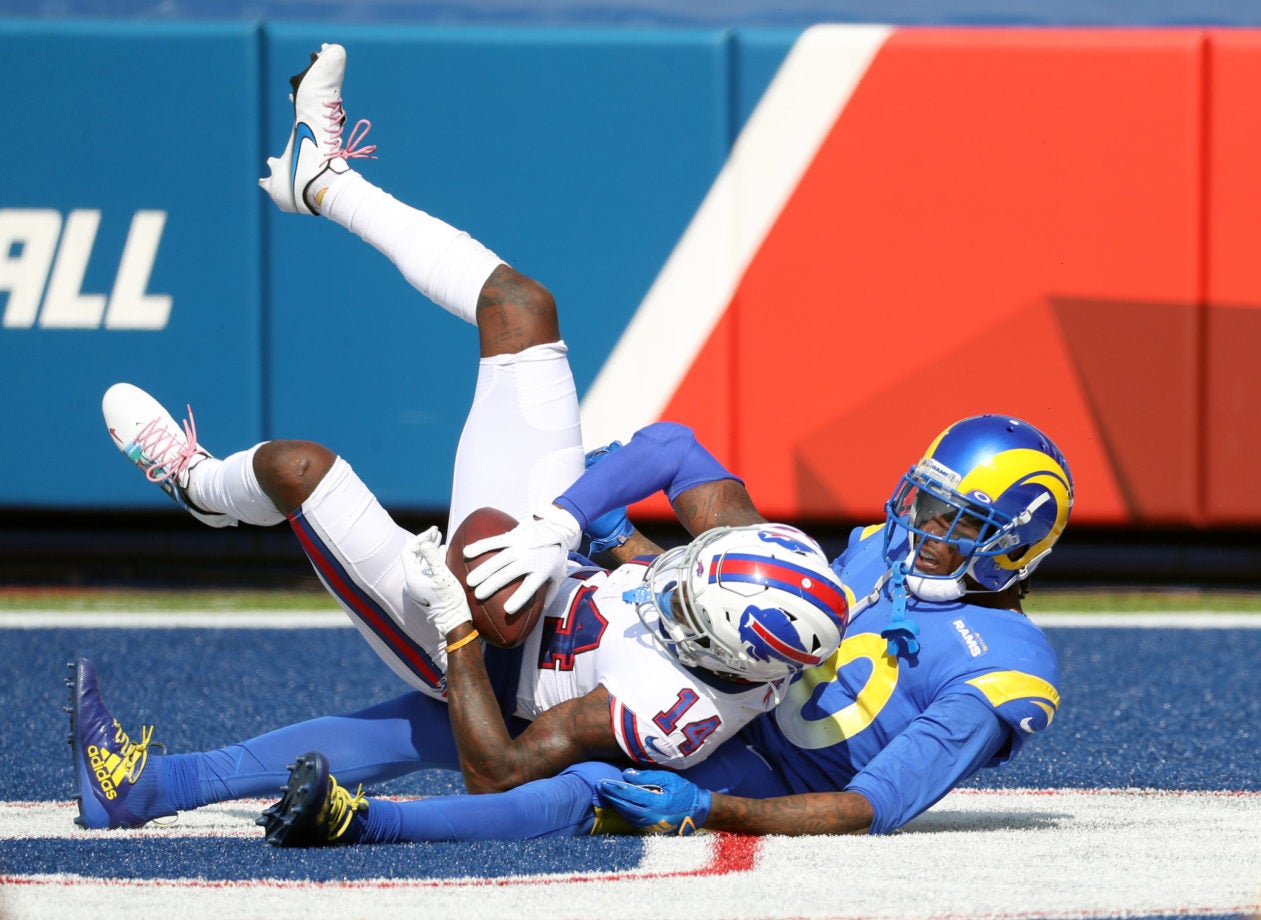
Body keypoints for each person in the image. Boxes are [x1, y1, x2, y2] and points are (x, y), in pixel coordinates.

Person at [71, 42, 849, 840]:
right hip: (547, 567)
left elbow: (496, 772)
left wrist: (457, 633)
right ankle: (324, 179)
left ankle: (199, 488)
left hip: (491, 650)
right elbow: (675, 446)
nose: (673, 585)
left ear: (722, 659)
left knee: (296, 468)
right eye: (693, 572)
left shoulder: (670, 713)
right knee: (519, 305)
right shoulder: (770, 573)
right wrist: (569, 524)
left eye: (685, 602)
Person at [261, 412, 1072, 844]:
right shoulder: (890, 545)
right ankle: (169, 783)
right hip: (723, 687)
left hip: (767, 778)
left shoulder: (1002, 673)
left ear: (1012, 548)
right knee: (450, 721)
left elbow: (870, 808)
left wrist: (712, 809)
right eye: (923, 501)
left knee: (579, 793)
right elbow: (758, 623)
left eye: (952, 522)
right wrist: (622, 543)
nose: (918, 527)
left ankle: (364, 825)